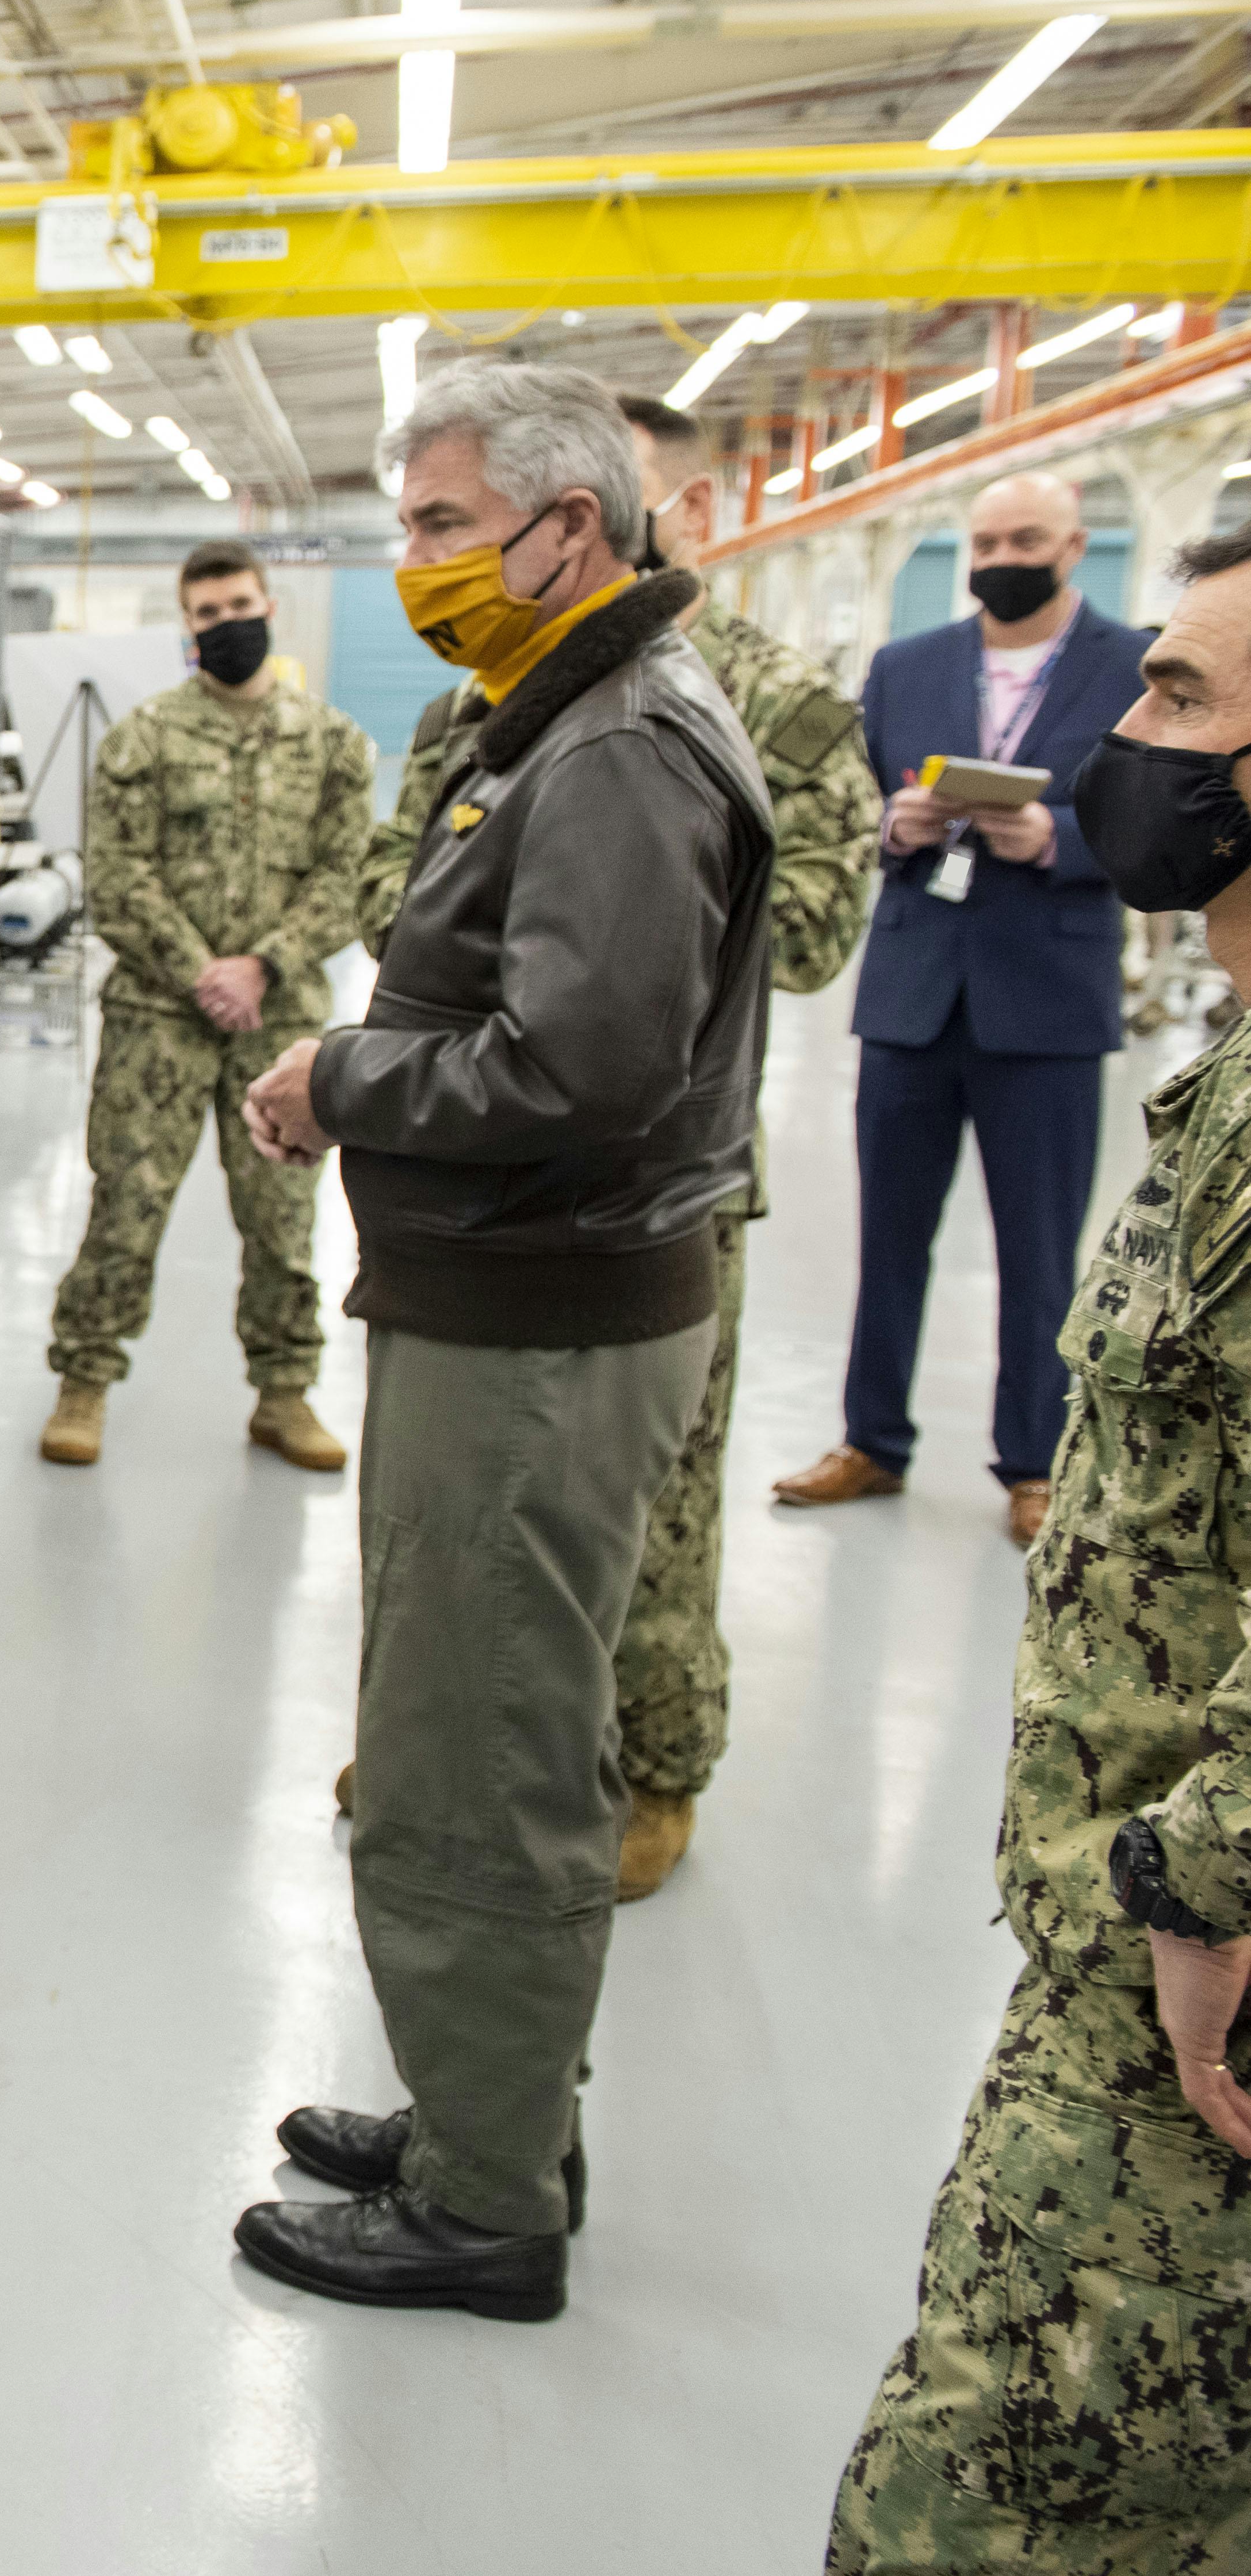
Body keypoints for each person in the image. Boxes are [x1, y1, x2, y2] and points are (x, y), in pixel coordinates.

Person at [232, 360, 774, 2321]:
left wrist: (336, 1075)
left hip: (540, 1322)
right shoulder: (557, 716)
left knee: (481, 1753)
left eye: (439, 524)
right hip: (512, 1298)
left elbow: (579, 1062)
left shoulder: (614, 743)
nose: (412, 563)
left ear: (567, 524)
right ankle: (487, 2107)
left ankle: (483, 2205)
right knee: (468, 1719)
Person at [829, 527, 1251, 2567]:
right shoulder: (1233, 1086)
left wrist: (1200, 1877)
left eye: (1176, 703)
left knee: (976, 2495)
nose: (1124, 738)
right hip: (1129, 1914)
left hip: (1188, 1958)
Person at [347, 391, 882, 1900]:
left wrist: (618, 925)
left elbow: (814, 926)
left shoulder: (751, 703)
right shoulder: (480, 690)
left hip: (649, 1161)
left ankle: (652, 1759)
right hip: (477, 1152)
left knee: (648, 1503)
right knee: (465, 1500)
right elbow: (395, 887)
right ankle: (452, 1733)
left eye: (445, 522)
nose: (426, 553)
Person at [775, 470, 1153, 1545]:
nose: (1001, 556)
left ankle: (1032, 1462)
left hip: (1045, 1000)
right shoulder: (906, 667)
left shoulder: (1132, 669)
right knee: (888, 1237)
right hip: (912, 993)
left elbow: (1163, 823)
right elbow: (850, 815)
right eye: (984, 539)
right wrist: (895, 830)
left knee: (1040, 1249)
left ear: (1075, 544)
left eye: (1024, 537)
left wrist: (1062, 843)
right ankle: (870, 1439)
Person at [39, 539, 372, 1472]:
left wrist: (261, 965)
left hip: (281, 1018)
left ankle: (283, 1393)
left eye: (239, 606)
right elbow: (115, 874)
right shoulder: (143, 736)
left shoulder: (334, 741)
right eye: (207, 614)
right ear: (186, 626)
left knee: (282, 1214)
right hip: (157, 1012)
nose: (227, 625)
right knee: (126, 1203)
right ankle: (84, 1381)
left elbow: (348, 874)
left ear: (271, 605)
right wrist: (203, 970)